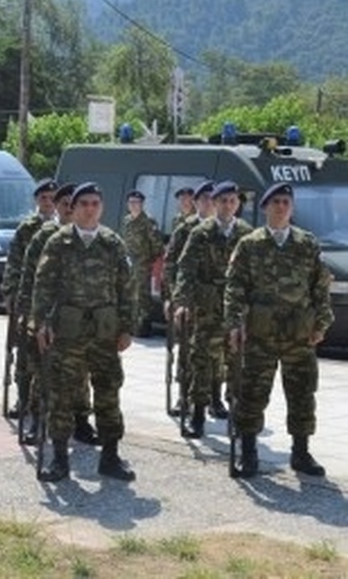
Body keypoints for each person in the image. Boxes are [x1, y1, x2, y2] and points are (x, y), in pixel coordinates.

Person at [224, 182, 333, 478]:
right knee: (252, 394)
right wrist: (234, 325)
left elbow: (319, 287)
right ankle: (248, 453)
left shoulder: (307, 243)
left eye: (286, 202)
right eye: (276, 202)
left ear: (292, 208)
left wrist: (321, 324)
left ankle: (301, 452)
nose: (281, 207)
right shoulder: (250, 244)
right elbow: (234, 287)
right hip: (261, 334)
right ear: (265, 208)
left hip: (299, 333)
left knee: (302, 393)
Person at [33, 182, 135, 483]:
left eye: (95, 203)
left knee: (108, 392)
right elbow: (43, 286)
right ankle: (60, 459)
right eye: (84, 204)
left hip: (105, 332)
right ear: (73, 209)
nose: (90, 209)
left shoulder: (112, 243)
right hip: (68, 333)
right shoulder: (58, 242)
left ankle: (110, 457)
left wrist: (128, 327)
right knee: (62, 396)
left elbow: (127, 289)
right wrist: (41, 324)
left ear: (101, 208)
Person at [16, 182, 97, 447]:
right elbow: (30, 277)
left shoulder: (89, 236)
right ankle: (39, 421)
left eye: (66, 203)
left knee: (81, 371)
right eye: (62, 204)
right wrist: (28, 314)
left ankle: (82, 420)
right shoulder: (45, 236)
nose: (64, 208)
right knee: (44, 371)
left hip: (80, 318)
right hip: (50, 315)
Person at [173, 181, 253, 437]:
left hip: (237, 308)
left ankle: (236, 410)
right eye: (223, 201)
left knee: (236, 362)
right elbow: (185, 268)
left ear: (237, 204)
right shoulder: (201, 232)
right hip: (206, 307)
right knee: (202, 360)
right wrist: (182, 302)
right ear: (215, 203)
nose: (228, 205)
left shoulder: (246, 233)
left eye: (232, 201)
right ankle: (197, 414)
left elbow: (256, 273)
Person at [1, 177, 58, 419]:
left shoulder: (63, 226)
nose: (48, 202)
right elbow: (14, 262)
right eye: (43, 198)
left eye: (51, 198)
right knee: (24, 353)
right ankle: (22, 400)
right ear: (37, 200)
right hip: (28, 297)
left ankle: (48, 402)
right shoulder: (27, 227)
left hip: (52, 300)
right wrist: (11, 293)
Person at [120, 190, 164, 338]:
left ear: (142, 204)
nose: (134, 205)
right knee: (131, 294)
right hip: (129, 263)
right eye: (131, 202)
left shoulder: (148, 221)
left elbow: (157, 244)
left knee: (143, 296)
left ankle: (144, 326)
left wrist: (148, 260)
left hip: (143, 263)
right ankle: (133, 325)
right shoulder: (127, 220)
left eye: (136, 203)